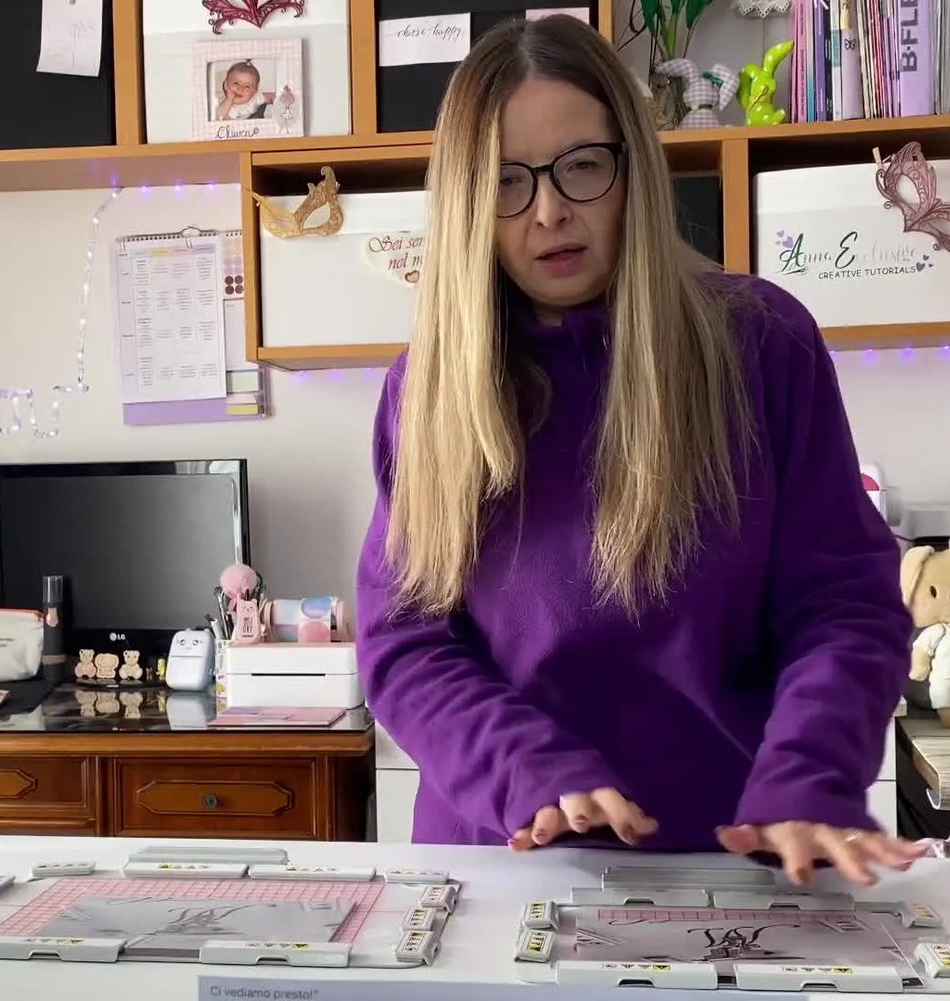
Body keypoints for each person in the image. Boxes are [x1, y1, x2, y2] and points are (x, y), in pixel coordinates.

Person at [353, 15, 921, 887]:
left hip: (731, 860)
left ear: (633, 169)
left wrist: (810, 773)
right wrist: (527, 768)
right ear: (466, 200)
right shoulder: (424, 388)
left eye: (582, 166)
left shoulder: (761, 343)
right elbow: (408, 644)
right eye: (506, 181)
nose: (549, 211)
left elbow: (841, 601)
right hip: (505, 866)